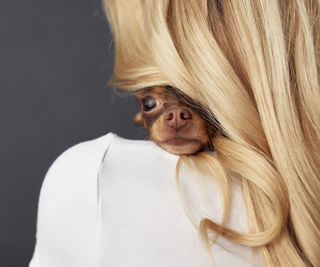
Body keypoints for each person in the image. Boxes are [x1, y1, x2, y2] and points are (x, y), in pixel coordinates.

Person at [29, 0, 320, 266]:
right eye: (152, 103)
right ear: (139, 117)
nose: (177, 116)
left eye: (201, 102)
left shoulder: (97, 178)